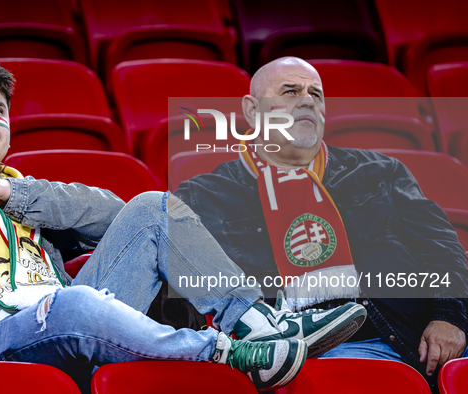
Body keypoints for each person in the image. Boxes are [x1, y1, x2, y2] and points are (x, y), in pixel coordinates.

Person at [0, 57, 366, 394]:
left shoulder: (27, 194)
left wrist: (20, 195)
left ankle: (259, 326)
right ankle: (227, 353)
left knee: (156, 205)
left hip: (70, 322)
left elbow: (120, 214)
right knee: (76, 303)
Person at [174, 56, 468, 392]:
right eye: (290, 91)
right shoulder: (204, 196)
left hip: (425, 330)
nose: (307, 102)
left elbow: (441, 246)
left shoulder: (379, 171)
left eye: (316, 94)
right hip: (325, 354)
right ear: (253, 111)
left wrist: (450, 317)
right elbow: (185, 295)